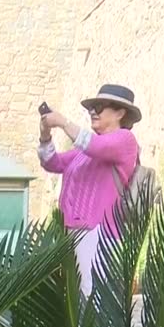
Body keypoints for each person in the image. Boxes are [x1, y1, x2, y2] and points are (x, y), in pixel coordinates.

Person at [38, 84, 142, 297]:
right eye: (91, 108)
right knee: (75, 297)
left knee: (92, 297)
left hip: (100, 233)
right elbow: (51, 162)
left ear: (120, 113)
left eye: (100, 107)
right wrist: (45, 134)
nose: (93, 112)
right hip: (73, 231)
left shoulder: (125, 140)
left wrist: (63, 122)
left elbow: (96, 146)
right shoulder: (83, 151)